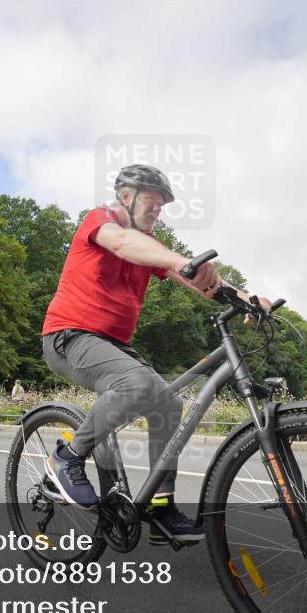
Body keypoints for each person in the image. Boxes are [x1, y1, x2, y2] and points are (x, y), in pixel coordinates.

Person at [41, 164, 271, 545]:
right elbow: (120, 242)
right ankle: (67, 456)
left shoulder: (151, 245)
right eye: (154, 200)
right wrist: (175, 259)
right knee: (137, 384)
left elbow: (201, 282)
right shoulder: (100, 220)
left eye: (164, 204)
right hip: (69, 335)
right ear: (127, 196)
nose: (159, 209)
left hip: (113, 344)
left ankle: (159, 507)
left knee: (167, 404)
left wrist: (246, 299)